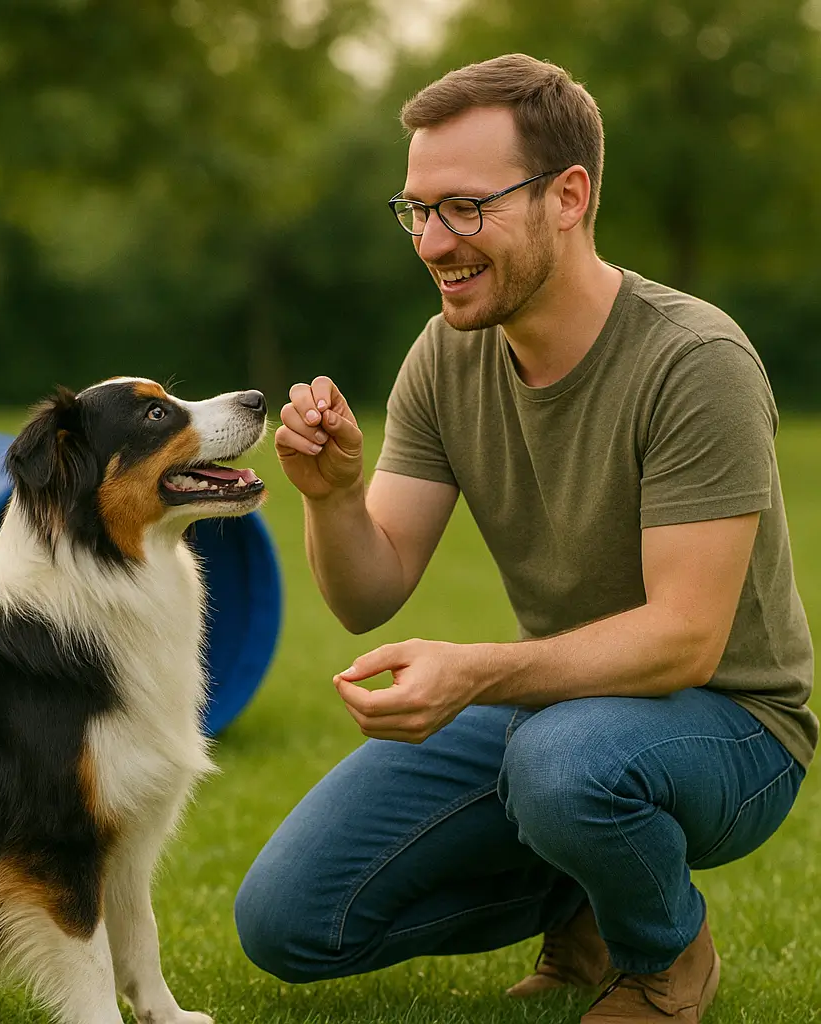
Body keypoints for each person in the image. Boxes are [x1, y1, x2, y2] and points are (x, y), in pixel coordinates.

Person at [232, 53, 815, 1023]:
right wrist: (333, 497)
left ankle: (663, 957)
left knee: (564, 766)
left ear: (568, 196)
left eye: (465, 206)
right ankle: (582, 896)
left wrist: (473, 673)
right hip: (557, 710)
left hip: (732, 726)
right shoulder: (445, 353)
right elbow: (366, 592)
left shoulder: (694, 362)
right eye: (415, 209)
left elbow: (687, 638)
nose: (431, 241)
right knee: (287, 920)